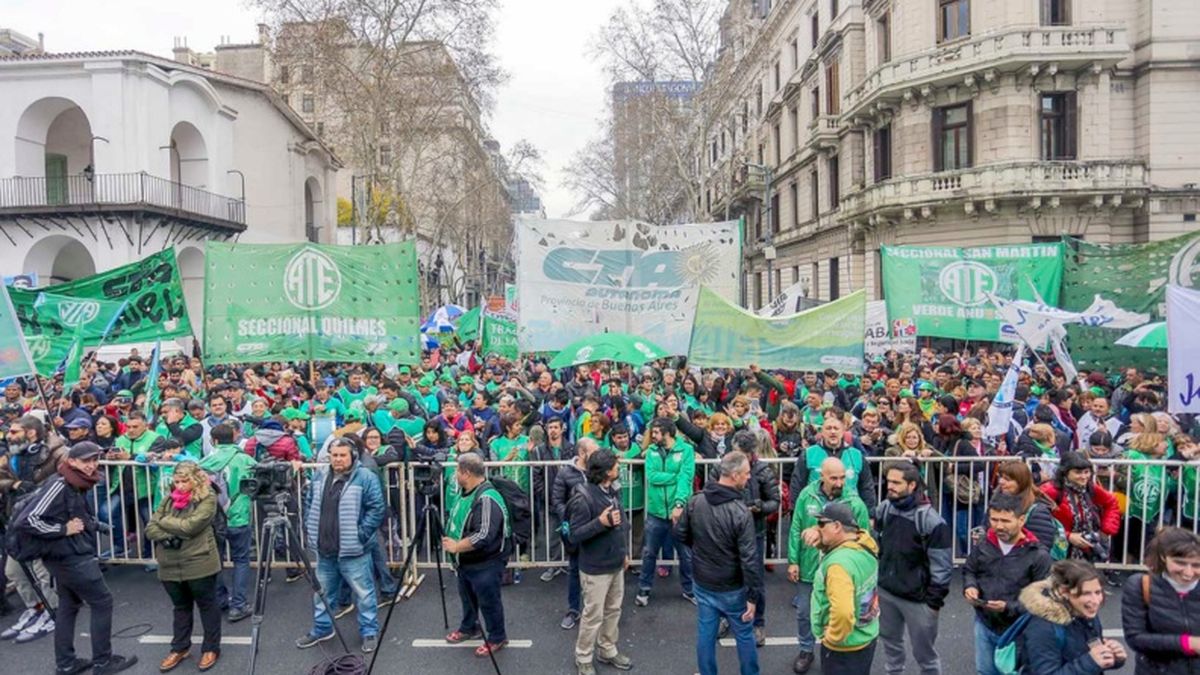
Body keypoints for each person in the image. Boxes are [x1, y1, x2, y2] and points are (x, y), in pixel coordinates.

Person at [18, 441, 138, 674]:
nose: (92, 466)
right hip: (70, 557)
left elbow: (75, 513)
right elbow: (28, 520)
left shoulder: (75, 483)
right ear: (71, 461)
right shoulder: (61, 484)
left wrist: (96, 526)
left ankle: (66, 664)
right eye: (86, 461)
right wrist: (63, 530)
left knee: (68, 606)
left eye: (95, 460)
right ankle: (103, 662)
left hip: (66, 556)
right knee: (102, 602)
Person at [673, 451, 762, 675]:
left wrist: (699, 549)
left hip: (702, 580)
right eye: (746, 474)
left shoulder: (696, 500)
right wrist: (753, 596)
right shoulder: (740, 512)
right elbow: (749, 559)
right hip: (732, 586)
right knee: (744, 633)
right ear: (734, 475)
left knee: (706, 632)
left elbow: (681, 533)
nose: (748, 477)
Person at [297, 438, 386, 654]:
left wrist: (361, 534)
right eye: (334, 455)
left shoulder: (365, 477)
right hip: (325, 549)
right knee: (322, 594)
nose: (337, 459)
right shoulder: (320, 474)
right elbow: (309, 502)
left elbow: (377, 508)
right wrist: (310, 527)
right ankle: (322, 628)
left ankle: (369, 632)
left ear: (352, 456)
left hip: (353, 550)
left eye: (342, 455)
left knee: (364, 594)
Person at [788, 457, 870, 674]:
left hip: (841, 568)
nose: (839, 482)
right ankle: (806, 649)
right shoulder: (807, 495)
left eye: (843, 477)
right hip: (809, 565)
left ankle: (838, 644)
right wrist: (793, 561)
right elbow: (796, 527)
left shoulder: (854, 502)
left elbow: (864, 537)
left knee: (840, 608)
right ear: (821, 475)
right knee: (804, 612)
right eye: (833, 477)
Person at [874, 461, 952, 675]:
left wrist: (933, 604)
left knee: (925, 656)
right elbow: (877, 542)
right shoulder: (885, 508)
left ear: (912, 485)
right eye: (888, 481)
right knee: (891, 648)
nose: (890, 486)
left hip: (918, 600)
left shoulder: (932, 521)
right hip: (887, 591)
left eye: (896, 483)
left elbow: (942, 568)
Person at [144, 462, 222, 672]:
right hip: (169, 563)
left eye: (184, 481)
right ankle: (180, 647)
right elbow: (150, 528)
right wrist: (168, 534)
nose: (179, 486)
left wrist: (165, 522)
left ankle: (211, 647)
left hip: (199, 561)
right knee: (180, 607)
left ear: (195, 479)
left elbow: (191, 526)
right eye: (176, 481)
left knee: (207, 605)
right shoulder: (169, 498)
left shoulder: (208, 498)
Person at [962, 493, 1052, 675]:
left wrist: (1008, 607)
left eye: (1005, 521)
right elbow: (970, 570)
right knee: (985, 671)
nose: (999, 526)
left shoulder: (1038, 555)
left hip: (1019, 629)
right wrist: (970, 587)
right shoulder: (984, 544)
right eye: (994, 519)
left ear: (1022, 520)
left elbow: (1042, 599)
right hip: (985, 623)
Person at [567, 449, 633, 675]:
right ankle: (583, 656)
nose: (619, 469)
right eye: (615, 466)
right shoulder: (583, 497)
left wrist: (623, 552)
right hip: (595, 568)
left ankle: (607, 648)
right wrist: (600, 522)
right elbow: (575, 534)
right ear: (606, 472)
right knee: (593, 615)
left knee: (613, 610)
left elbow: (620, 524)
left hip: (614, 563)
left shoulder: (612, 490)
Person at [0, 416, 63, 644]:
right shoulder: (13, 456)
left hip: (41, 520)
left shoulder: (57, 452)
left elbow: (67, 481)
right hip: (15, 519)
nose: (9, 435)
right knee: (14, 571)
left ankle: (52, 611)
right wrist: (14, 484)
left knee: (42, 572)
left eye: (15, 432)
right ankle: (35, 607)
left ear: (31, 433)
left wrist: (39, 493)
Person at [442, 451, 511, 657]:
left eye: (457, 471)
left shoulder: (487, 498)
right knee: (468, 597)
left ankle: (497, 637)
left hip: (486, 563)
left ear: (467, 473)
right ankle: (469, 626)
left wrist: (456, 546)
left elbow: (484, 535)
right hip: (467, 562)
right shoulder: (468, 492)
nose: (455, 475)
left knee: (489, 601)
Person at [808, 501, 880, 675]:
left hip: (843, 650)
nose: (818, 528)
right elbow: (841, 544)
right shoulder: (865, 543)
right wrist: (819, 537)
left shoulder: (838, 567)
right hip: (866, 635)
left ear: (837, 526)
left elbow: (843, 613)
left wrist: (832, 638)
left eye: (821, 524)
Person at [1020, 559, 1126, 674]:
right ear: (1063, 592)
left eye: (1098, 592)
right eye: (1086, 593)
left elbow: (1091, 659)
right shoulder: (1043, 628)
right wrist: (1090, 661)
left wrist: (1113, 657)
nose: (1096, 601)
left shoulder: (1085, 613)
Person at [198, 422, 257, 622]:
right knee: (241, 559)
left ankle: (220, 599)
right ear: (234, 437)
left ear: (213, 440)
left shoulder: (204, 461)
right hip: (238, 515)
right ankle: (238, 605)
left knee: (216, 560)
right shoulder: (244, 459)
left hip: (213, 517)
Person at [1121, 527, 1200, 674]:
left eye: (1196, 565)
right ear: (1164, 557)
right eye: (1180, 563)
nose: (1189, 572)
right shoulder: (1140, 585)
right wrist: (1187, 643)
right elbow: (1136, 638)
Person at [636, 417, 696, 607]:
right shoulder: (651, 452)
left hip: (679, 512)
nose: (652, 436)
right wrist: (674, 476)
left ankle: (689, 590)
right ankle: (643, 589)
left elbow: (686, 479)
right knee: (649, 553)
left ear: (667, 433)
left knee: (686, 554)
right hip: (656, 511)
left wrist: (679, 504)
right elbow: (651, 477)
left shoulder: (686, 450)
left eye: (655, 432)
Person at [551, 437, 598, 630]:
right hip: (576, 530)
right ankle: (573, 609)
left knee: (597, 571)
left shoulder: (599, 470)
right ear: (582, 454)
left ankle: (595, 609)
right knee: (574, 569)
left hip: (597, 528)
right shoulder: (565, 473)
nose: (597, 455)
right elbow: (557, 500)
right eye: (593, 452)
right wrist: (569, 519)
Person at [1040, 453, 1121, 563]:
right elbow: (1038, 521)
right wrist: (1068, 536)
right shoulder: (1050, 491)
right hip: (1056, 551)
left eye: (1086, 472)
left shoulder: (1090, 488)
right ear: (1065, 472)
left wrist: (1105, 531)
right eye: (1078, 472)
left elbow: (1112, 503)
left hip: (1085, 551)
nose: (1083, 477)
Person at [994, 461, 1062, 558]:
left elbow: (1042, 548)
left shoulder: (1037, 511)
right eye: (1000, 477)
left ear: (1021, 483)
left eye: (1007, 479)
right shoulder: (996, 504)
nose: (1001, 482)